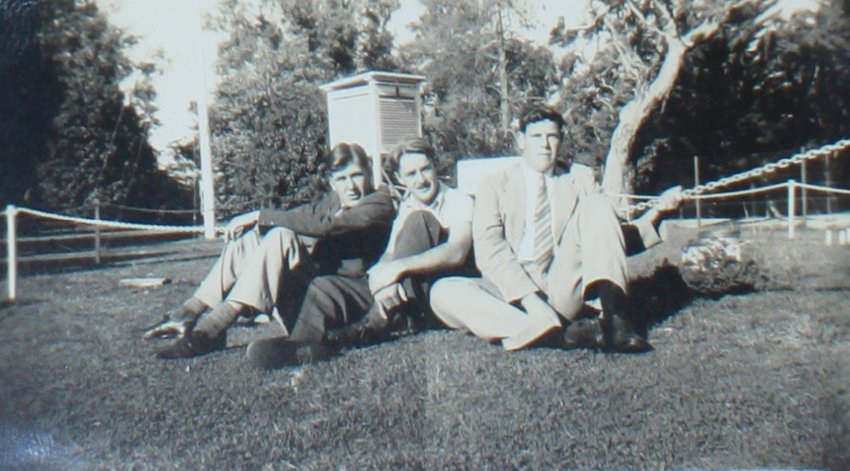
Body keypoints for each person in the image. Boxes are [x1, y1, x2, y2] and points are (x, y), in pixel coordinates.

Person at [429, 105, 682, 353]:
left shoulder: (577, 180)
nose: (545, 144)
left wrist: (657, 212)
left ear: (561, 140)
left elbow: (607, 239)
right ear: (521, 141)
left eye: (552, 136)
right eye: (536, 137)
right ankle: (559, 334)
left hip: (560, 283)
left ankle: (616, 320)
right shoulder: (494, 185)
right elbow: (490, 250)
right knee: (443, 292)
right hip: (507, 288)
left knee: (596, 202)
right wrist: (530, 300)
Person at [144, 142, 395, 360]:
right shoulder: (332, 202)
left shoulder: (379, 203)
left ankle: (212, 328)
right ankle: (188, 312)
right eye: (342, 179)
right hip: (306, 296)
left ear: (369, 175)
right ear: (332, 182)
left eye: (356, 175)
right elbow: (301, 216)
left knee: (279, 235)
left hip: (333, 310)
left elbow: (326, 226)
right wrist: (253, 222)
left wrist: (260, 215)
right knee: (247, 240)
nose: (351, 186)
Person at [246, 138, 475, 369]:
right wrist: (379, 275)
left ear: (436, 167)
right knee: (325, 286)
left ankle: (367, 328)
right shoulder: (406, 206)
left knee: (421, 221)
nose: (421, 179)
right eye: (412, 174)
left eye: (425, 169)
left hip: (428, 298)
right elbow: (391, 254)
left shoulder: (458, 200)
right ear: (400, 179)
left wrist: (399, 268)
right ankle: (302, 346)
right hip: (394, 290)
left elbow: (456, 252)